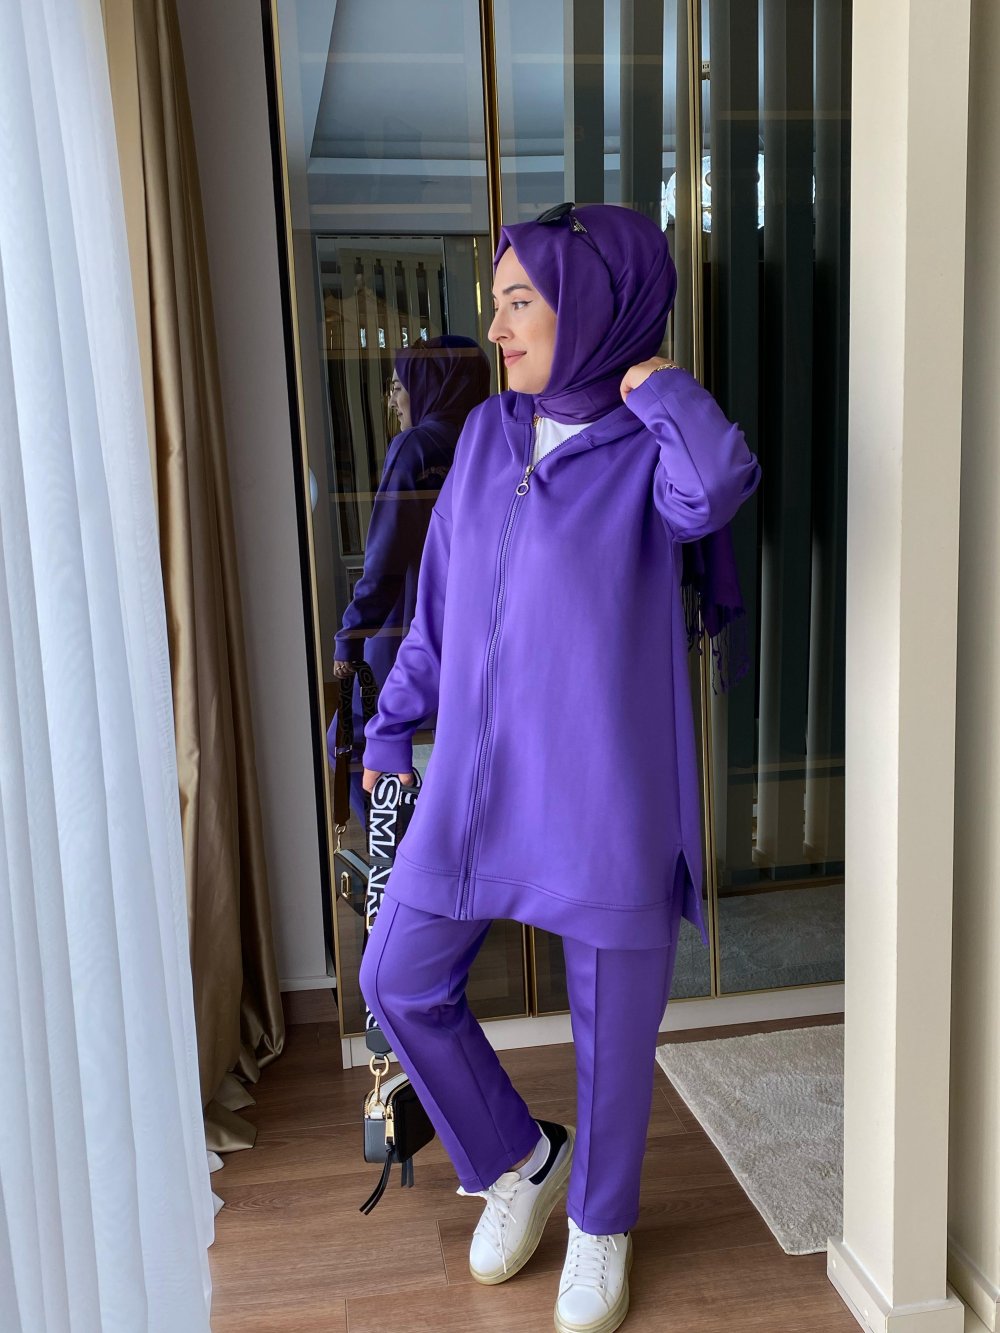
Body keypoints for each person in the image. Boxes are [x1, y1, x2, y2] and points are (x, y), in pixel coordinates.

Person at [358, 204, 761, 1333]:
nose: (495, 329)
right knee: (396, 977)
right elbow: (438, 609)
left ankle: (600, 1222)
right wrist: (391, 727)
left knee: (612, 1035)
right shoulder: (487, 435)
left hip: (603, 795)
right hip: (474, 785)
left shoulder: (649, 453)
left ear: (590, 308)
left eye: (519, 302)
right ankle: (519, 1158)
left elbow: (718, 484)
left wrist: (662, 387)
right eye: (496, 304)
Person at [328, 334, 490, 822]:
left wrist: (351, 636)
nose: (392, 400)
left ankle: (396, 854)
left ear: (428, 388)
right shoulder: (491, 443)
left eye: (399, 386)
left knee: (355, 742)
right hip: (478, 625)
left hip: (409, 626)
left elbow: (384, 557)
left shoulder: (416, 446)